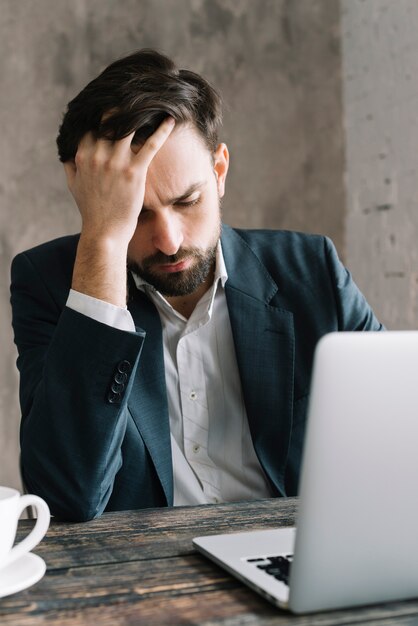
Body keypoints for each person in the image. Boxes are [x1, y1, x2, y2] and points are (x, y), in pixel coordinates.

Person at [10, 49, 383, 522]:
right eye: (137, 213)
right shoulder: (49, 284)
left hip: (292, 553)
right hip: (145, 576)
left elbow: (397, 434)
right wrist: (103, 241)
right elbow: (66, 497)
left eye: (187, 201)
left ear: (220, 172)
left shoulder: (312, 270)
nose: (169, 240)